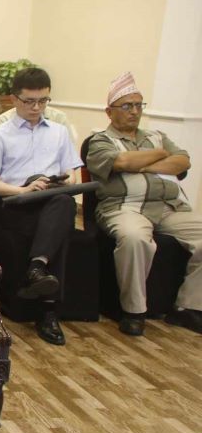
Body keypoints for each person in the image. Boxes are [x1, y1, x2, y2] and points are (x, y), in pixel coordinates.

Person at [86, 72, 202, 335]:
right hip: (124, 207)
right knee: (135, 239)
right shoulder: (100, 141)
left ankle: (188, 307)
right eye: (127, 106)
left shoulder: (156, 134)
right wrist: (160, 155)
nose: (135, 111)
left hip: (169, 207)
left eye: (139, 105)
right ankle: (134, 311)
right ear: (109, 112)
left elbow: (183, 161)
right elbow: (122, 162)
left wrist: (143, 164)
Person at [0, 68, 82, 346]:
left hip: (51, 200)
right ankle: (48, 310)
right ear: (14, 99)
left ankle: (37, 269)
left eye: (43, 101)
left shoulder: (59, 133)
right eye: (29, 101)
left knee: (62, 203)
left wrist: (59, 181)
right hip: (17, 203)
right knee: (57, 223)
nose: (37, 108)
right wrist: (24, 189)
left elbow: (72, 175)